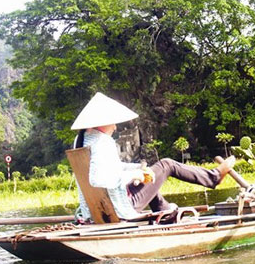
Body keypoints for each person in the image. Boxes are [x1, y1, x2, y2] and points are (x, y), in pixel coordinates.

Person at [72, 92, 235, 222]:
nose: (115, 127)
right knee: (166, 165)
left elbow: (110, 168)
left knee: (151, 174)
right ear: (101, 121)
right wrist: (135, 175)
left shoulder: (82, 140)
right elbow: (99, 180)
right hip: (119, 208)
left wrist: (137, 169)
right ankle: (213, 177)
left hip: (96, 210)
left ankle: (163, 211)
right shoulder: (103, 142)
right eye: (112, 122)